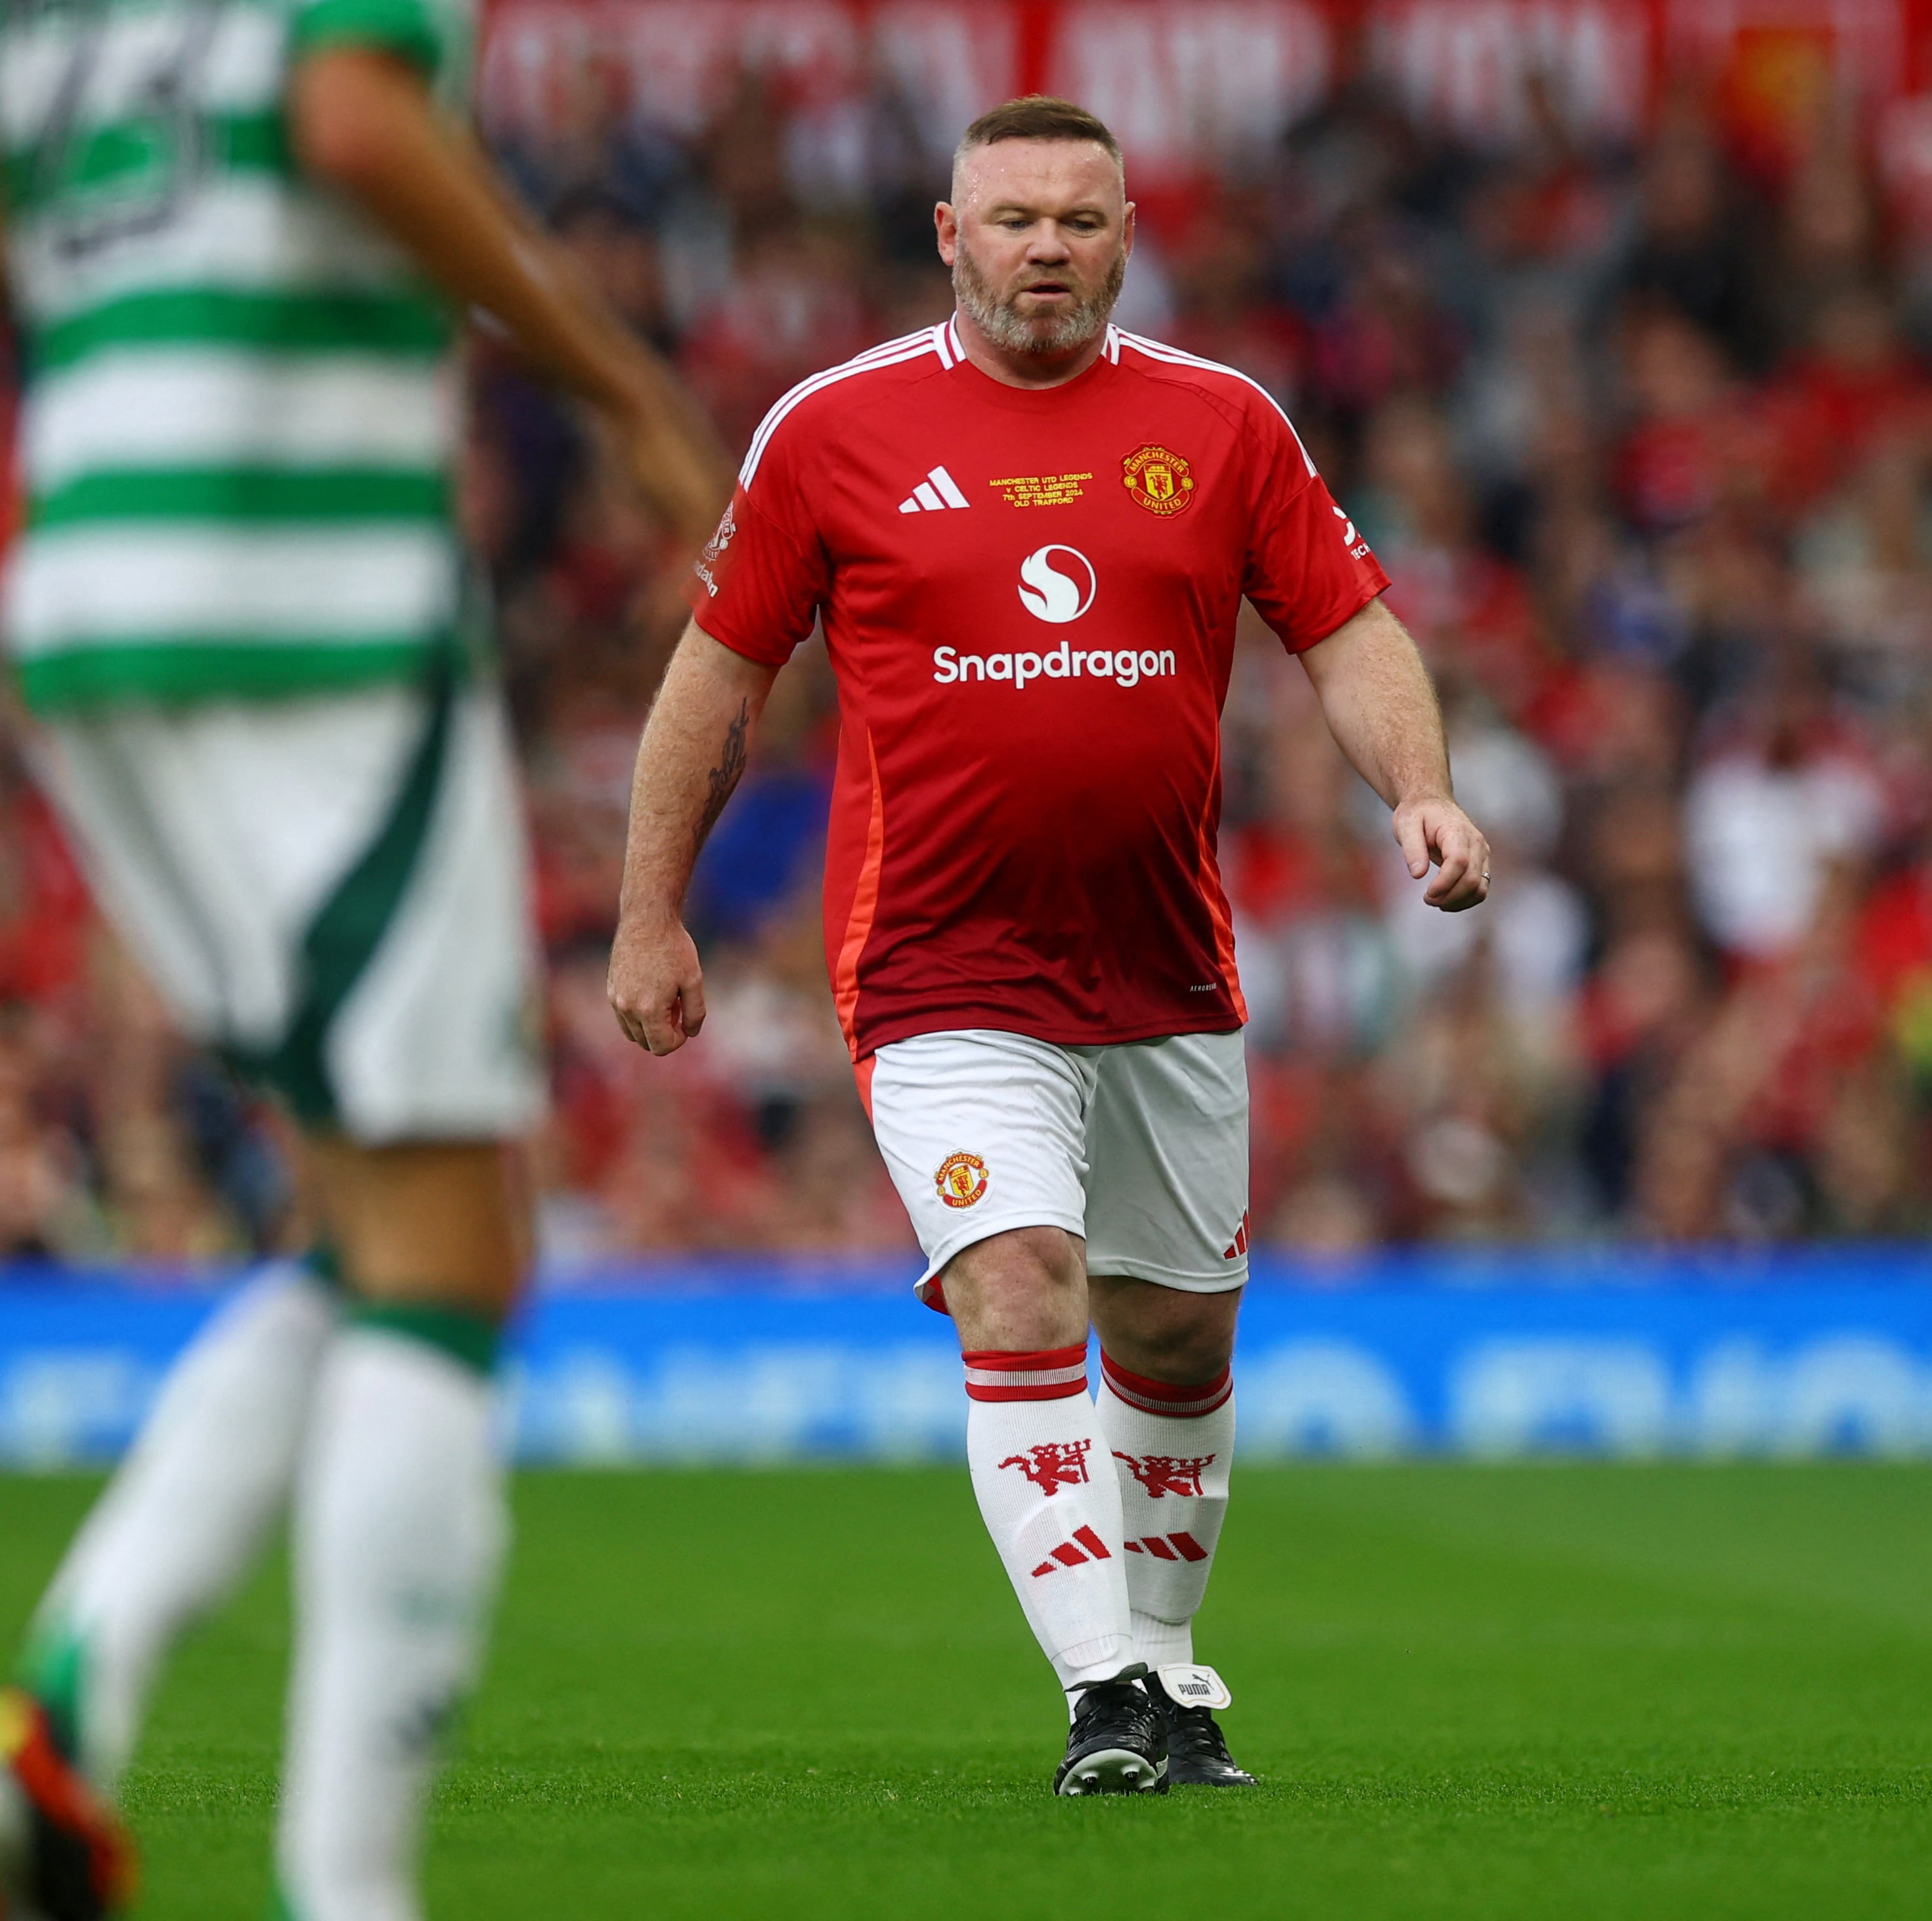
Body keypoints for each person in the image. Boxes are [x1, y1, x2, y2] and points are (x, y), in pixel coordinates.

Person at [0, 1, 723, 1914]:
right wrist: (613, 382)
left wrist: (138, 285)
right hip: (301, 609)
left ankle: (59, 1724)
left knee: (387, 1221)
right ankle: (347, 1890)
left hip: (85, 595)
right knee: (454, 1259)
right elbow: (348, 117)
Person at [609, 96, 1490, 1795]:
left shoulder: (1221, 423)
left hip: (1164, 963)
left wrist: (1422, 792)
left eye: (1076, 222)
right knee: (1020, 1286)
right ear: (948, 233)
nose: (1042, 250)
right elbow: (715, 680)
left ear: (1123, 236)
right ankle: (1103, 1694)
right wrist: (652, 910)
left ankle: (1166, 1677)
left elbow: (1347, 625)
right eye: (1009, 219)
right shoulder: (831, 429)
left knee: (1174, 1340)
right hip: (938, 961)